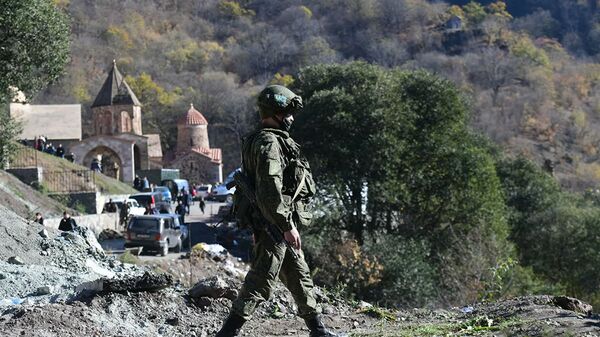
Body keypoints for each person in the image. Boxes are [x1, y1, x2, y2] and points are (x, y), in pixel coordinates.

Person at [215, 85, 337, 337]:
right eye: (288, 112)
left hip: (275, 222)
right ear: (277, 112)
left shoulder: (265, 139)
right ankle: (226, 333)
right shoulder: (269, 143)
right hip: (273, 224)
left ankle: (318, 331)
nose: (291, 118)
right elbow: (270, 190)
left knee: (299, 275)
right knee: (260, 281)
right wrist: (286, 226)